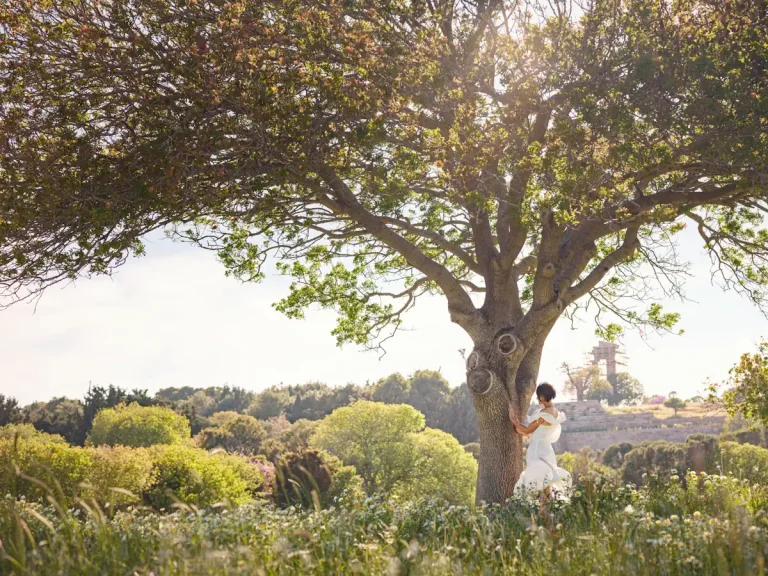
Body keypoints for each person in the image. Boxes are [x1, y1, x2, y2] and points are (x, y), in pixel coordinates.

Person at [509, 382, 571, 502]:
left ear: (542, 398)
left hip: (537, 451)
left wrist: (514, 420)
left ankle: (540, 510)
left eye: (538, 396)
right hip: (547, 450)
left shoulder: (543, 415)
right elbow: (535, 431)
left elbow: (528, 429)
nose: (537, 399)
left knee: (537, 480)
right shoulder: (555, 412)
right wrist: (520, 430)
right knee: (546, 482)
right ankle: (548, 511)